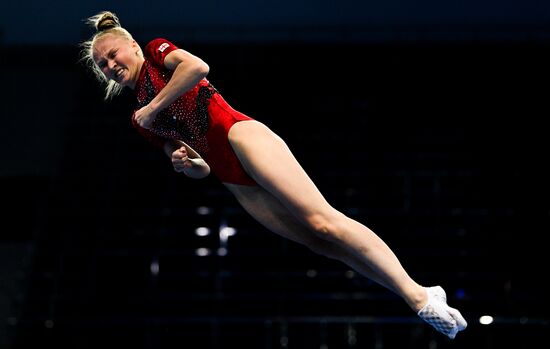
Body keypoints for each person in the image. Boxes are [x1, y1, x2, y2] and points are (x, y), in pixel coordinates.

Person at [80, 10, 467, 339]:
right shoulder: (139, 120)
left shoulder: (154, 52)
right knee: (318, 243)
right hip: (230, 176)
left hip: (240, 135)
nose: (111, 67)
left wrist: (152, 108)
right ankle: (417, 293)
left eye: (112, 55)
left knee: (324, 221)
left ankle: (419, 299)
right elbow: (196, 166)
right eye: (103, 66)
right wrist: (187, 163)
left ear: (131, 45)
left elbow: (197, 67)